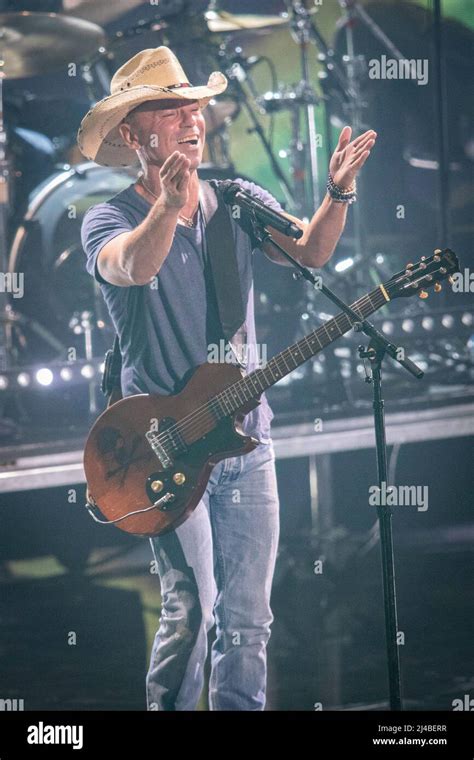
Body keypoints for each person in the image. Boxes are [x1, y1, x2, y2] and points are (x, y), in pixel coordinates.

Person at [78, 46, 376, 711]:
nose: (194, 118)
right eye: (173, 108)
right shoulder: (110, 218)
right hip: (162, 449)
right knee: (194, 615)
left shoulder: (237, 200)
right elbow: (132, 267)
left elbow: (311, 249)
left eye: (197, 105)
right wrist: (167, 205)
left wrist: (337, 194)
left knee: (249, 622)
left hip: (245, 438)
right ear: (133, 134)